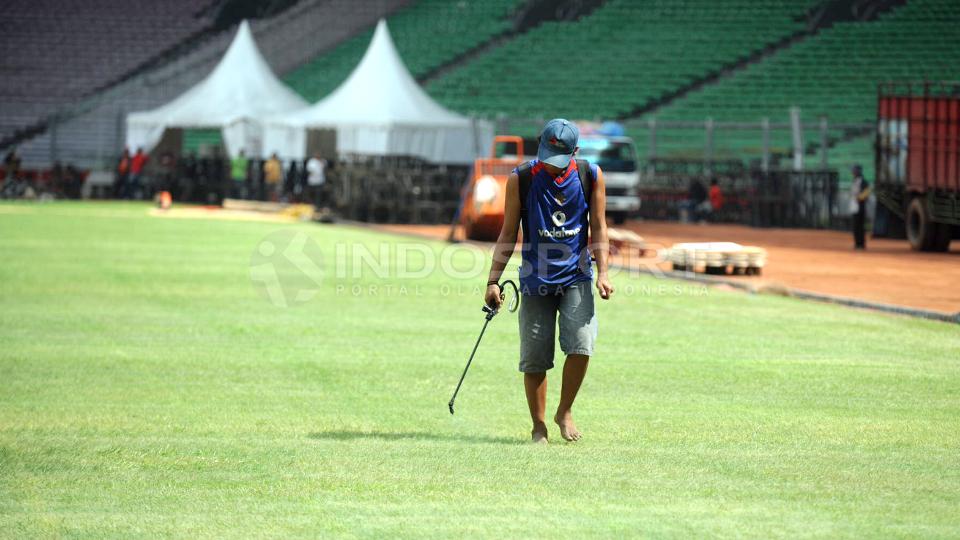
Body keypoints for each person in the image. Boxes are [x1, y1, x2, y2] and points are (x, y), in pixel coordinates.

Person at [484, 118, 614, 444]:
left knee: (582, 345)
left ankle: (564, 411)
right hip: (535, 279)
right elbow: (508, 232)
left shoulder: (591, 176)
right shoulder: (522, 178)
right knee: (535, 358)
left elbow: (598, 226)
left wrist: (604, 272)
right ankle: (538, 426)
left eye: (560, 161)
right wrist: (493, 281)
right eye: (547, 158)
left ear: (576, 152)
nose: (552, 168)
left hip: (576, 275)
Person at [850, 164, 871, 249]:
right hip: (854, 206)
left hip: (861, 206)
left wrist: (860, 198)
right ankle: (857, 243)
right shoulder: (854, 181)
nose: (853, 172)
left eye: (854, 171)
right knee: (855, 226)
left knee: (860, 226)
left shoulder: (863, 182)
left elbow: (867, 192)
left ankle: (861, 244)